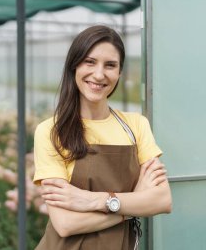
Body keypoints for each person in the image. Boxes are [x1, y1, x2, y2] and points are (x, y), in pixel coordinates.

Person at [33, 25, 172, 250]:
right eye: (90, 62)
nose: (99, 74)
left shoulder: (135, 125)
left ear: (119, 72)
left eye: (110, 65)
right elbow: (65, 224)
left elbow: (162, 200)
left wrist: (94, 200)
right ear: (74, 65)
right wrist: (131, 203)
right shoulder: (51, 132)